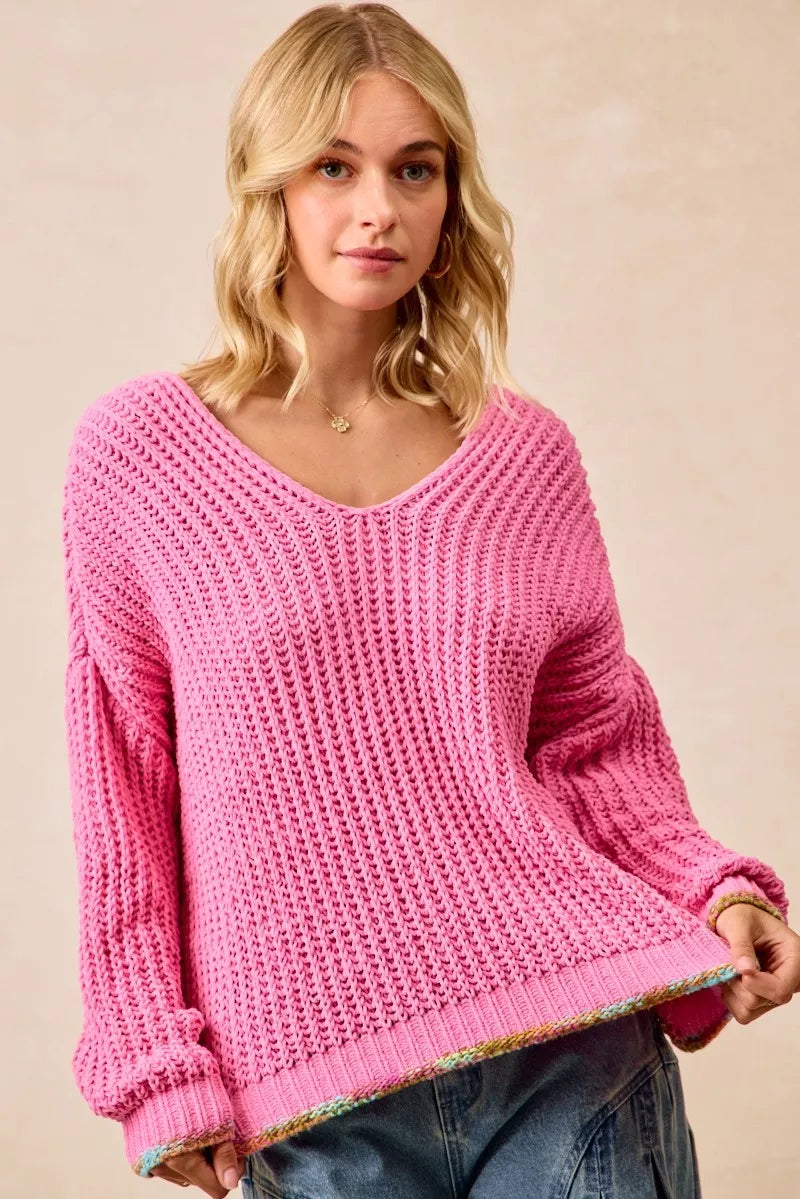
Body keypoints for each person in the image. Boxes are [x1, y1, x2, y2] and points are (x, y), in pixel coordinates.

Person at [61, 5, 799, 1197]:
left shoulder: (523, 454)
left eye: (415, 169)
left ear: (452, 196)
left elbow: (592, 738)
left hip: (574, 1051)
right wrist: (155, 1060)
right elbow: (125, 779)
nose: (378, 208)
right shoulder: (141, 455)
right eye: (332, 166)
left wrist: (708, 886)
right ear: (267, 185)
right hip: (314, 1096)